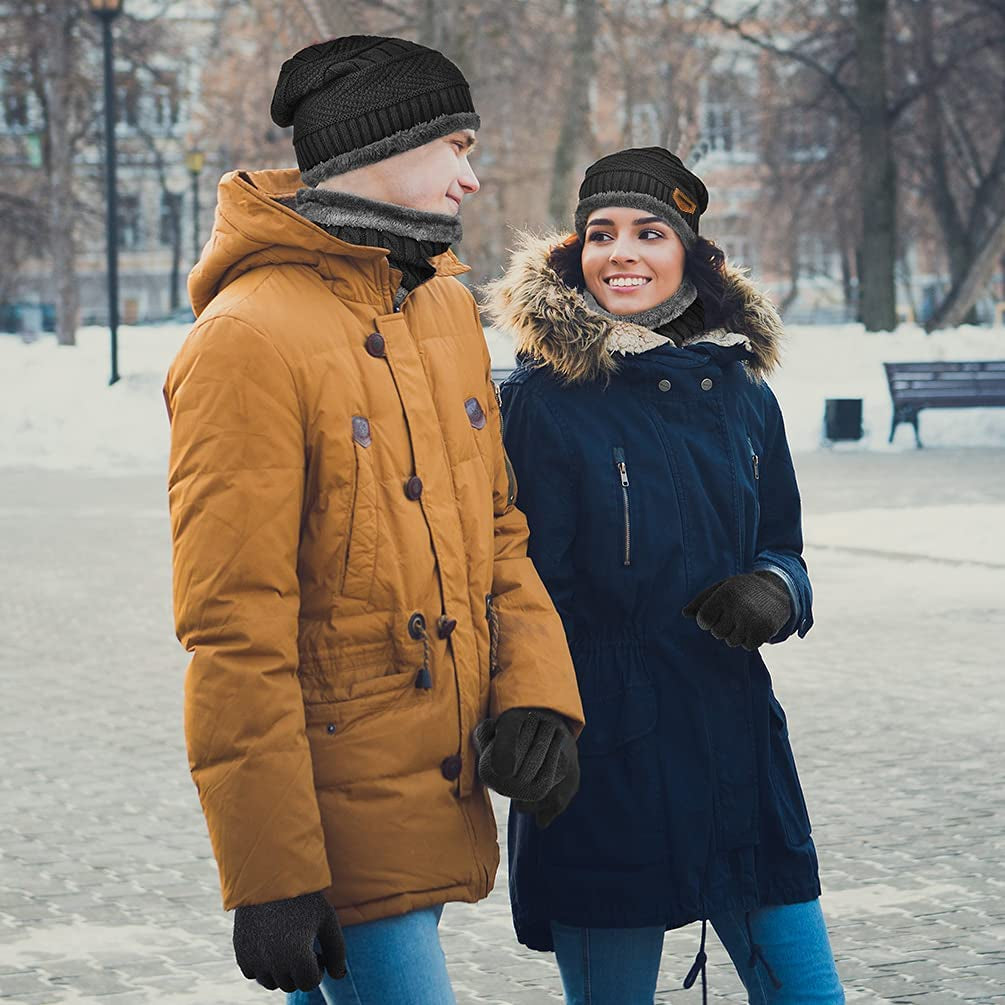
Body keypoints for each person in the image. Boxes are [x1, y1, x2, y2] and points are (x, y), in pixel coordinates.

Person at [163, 35, 584, 1005]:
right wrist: (271, 874)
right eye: (456, 148)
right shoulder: (246, 338)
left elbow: (496, 528)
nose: (472, 180)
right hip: (328, 815)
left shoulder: (437, 307)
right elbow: (235, 625)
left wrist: (534, 694)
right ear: (379, 146)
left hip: (437, 775)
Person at [481, 147, 845, 1004]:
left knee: (808, 991)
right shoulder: (541, 400)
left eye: (650, 232)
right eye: (600, 234)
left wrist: (773, 589)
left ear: (691, 251)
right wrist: (525, 707)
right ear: (575, 252)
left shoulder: (742, 391)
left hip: (737, 745)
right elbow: (510, 580)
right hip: (605, 749)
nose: (622, 253)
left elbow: (784, 545)